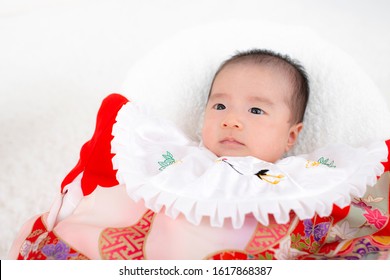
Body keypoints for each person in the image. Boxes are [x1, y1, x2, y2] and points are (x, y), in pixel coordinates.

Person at [8, 49, 390, 260]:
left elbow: (360, 185)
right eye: (220, 107)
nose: (233, 121)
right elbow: (120, 151)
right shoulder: (182, 162)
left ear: (292, 135)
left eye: (256, 111)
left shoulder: (295, 178)